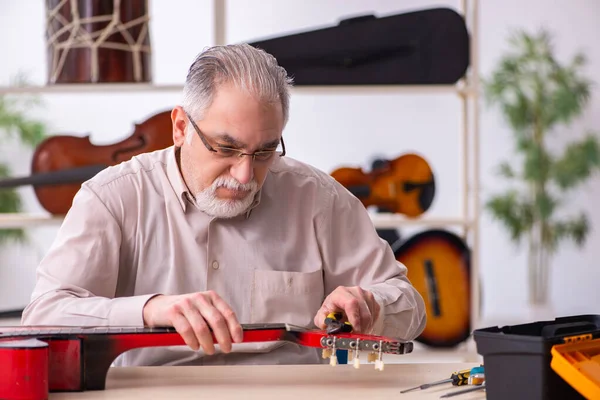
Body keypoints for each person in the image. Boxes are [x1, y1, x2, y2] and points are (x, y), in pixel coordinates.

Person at [21, 43, 426, 367]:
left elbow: (410, 309)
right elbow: (44, 317)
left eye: (266, 151)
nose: (245, 174)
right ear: (180, 127)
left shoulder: (319, 198)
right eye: (226, 148)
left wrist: (372, 305)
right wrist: (151, 309)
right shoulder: (113, 197)